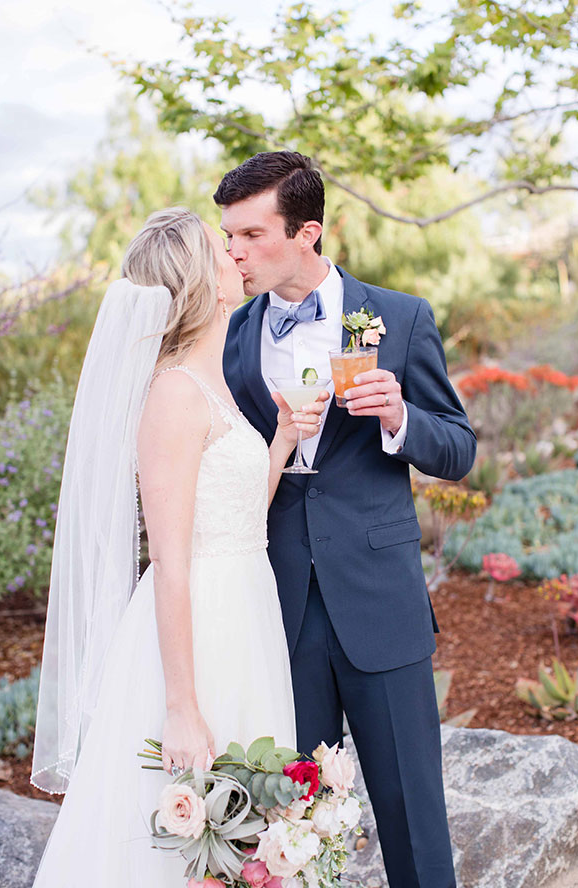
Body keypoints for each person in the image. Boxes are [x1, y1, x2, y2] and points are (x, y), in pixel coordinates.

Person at [29, 207, 327, 885]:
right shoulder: (172, 395)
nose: (236, 255)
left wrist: (278, 443)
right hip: (200, 626)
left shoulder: (211, 380)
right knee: (182, 836)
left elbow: (233, 515)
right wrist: (182, 708)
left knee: (248, 824)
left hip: (247, 612)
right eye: (222, 250)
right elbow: (169, 560)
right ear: (205, 284)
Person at [217, 151, 477, 888]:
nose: (234, 251)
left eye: (252, 235)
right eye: (228, 235)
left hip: (380, 601)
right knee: (290, 820)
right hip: (277, 605)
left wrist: (399, 417)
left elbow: (458, 449)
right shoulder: (232, 337)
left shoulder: (396, 318)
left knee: (412, 816)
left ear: (308, 233)